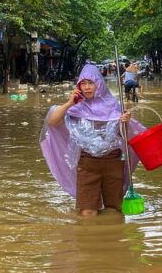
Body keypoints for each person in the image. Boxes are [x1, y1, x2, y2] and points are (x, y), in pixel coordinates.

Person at [40, 64, 145, 216]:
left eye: (91, 83)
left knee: (113, 210)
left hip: (113, 162)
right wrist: (70, 103)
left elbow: (122, 136)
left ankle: (112, 239)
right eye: (83, 83)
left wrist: (125, 122)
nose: (87, 87)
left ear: (99, 84)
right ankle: (88, 237)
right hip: (87, 163)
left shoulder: (114, 106)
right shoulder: (76, 109)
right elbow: (53, 122)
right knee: (88, 211)